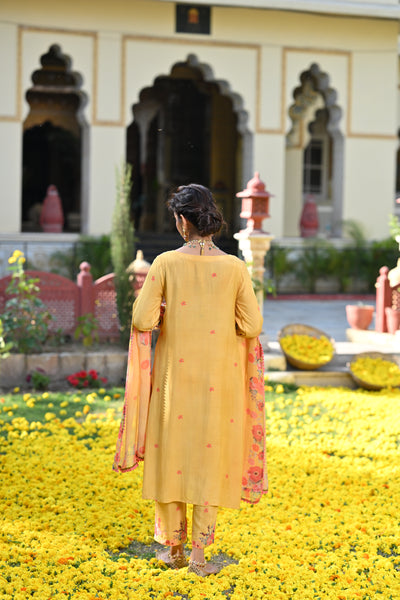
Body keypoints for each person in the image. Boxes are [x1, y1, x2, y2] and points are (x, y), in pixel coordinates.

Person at [113, 184, 267, 576]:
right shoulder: (235, 268)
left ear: (183, 221)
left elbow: (142, 319)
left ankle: (174, 549)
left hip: (174, 382)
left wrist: (169, 310)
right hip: (221, 381)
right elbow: (252, 325)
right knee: (208, 458)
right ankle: (199, 556)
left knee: (173, 456)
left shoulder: (165, 263)